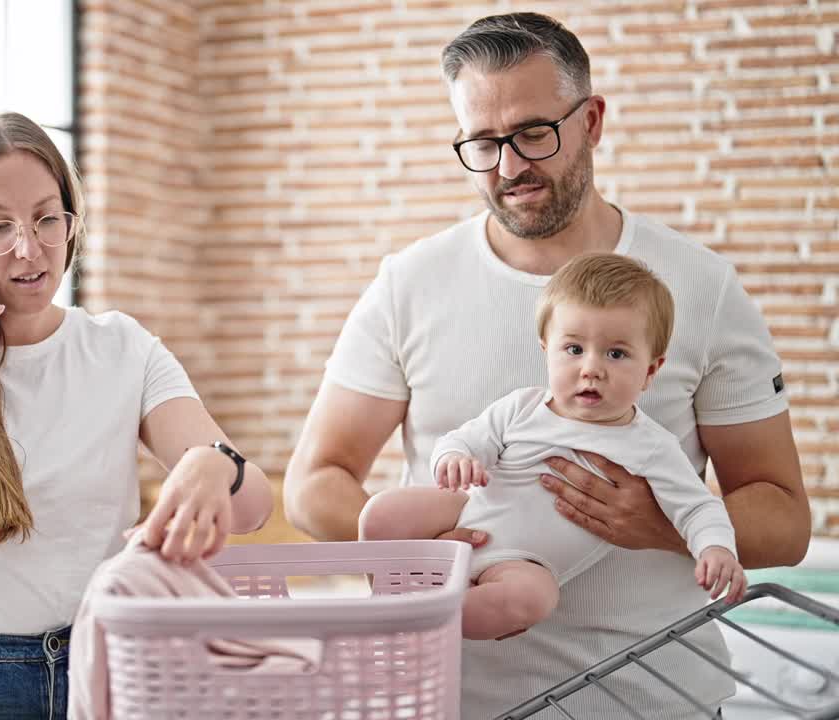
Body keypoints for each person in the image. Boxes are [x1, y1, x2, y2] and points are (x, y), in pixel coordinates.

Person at [283, 12, 810, 718]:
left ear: (591, 120)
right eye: (482, 142)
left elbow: (785, 519)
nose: (509, 166)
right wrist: (432, 551)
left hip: (655, 697)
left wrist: (660, 520)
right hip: (451, 697)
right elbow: (315, 481)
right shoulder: (409, 284)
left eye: (534, 133)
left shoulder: (701, 286)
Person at [0, 112, 273, 719]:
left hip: (108, 666)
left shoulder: (121, 347)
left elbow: (254, 507)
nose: (29, 249)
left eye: (45, 219)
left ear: (71, 221)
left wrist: (214, 467)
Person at [360, 253, 746, 641]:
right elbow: (465, 439)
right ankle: (395, 599)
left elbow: (697, 506)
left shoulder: (651, 446)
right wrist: (456, 458)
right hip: (465, 518)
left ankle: (419, 623)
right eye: (574, 349)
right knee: (383, 514)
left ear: (650, 370)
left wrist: (716, 547)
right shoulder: (521, 407)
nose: (591, 368)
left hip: (522, 564)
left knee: (532, 599)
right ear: (547, 349)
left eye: (616, 353)